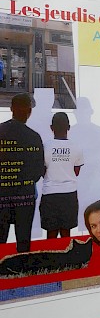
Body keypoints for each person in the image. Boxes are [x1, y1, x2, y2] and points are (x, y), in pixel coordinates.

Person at [0, 93, 44, 252]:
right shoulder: (34, 137)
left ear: (11, 109)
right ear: (29, 111)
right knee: (23, 241)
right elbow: (38, 172)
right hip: (24, 197)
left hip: (1, 196)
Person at [39, 112, 84, 239]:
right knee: (66, 233)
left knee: (51, 234)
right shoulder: (77, 147)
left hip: (50, 195)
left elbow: (42, 171)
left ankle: (51, 252)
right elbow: (76, 172)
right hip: (69, 194)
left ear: (51, 127)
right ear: (68, 127)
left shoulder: (44, 147)